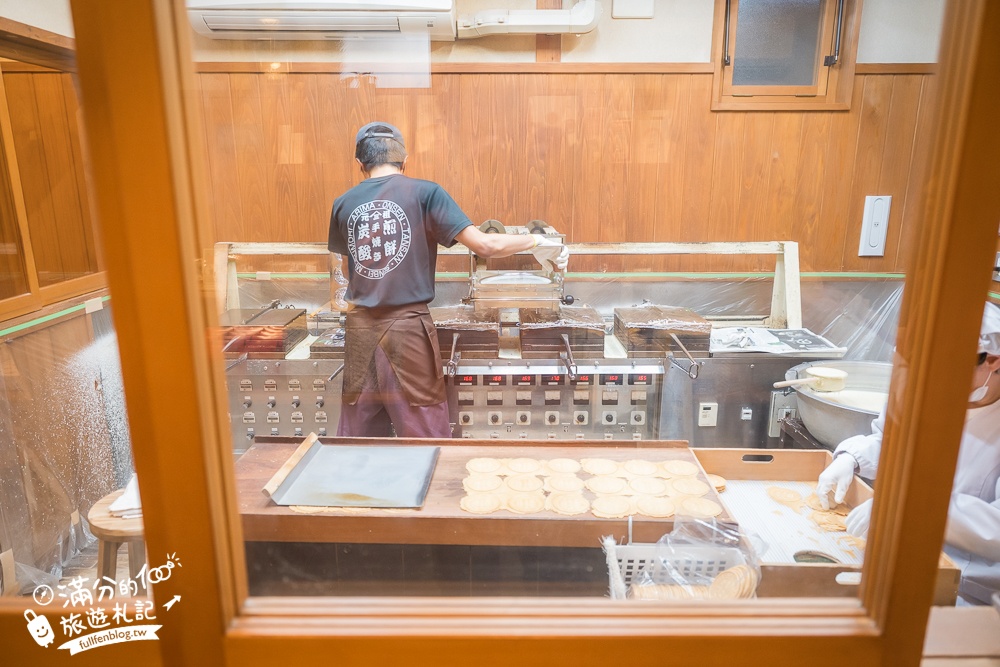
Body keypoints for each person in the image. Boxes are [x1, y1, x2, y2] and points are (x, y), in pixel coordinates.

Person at [327, 121, 569, 438]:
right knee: (426, 433)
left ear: (360, 164)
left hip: (359, 333)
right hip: (407, 332)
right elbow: (487, 245)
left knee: (360, 438)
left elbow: (345, 273)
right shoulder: (426, 193)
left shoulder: (343, 203)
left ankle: (365, 490)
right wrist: (539, 241)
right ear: (405, 161)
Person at [816, 302, 1000, 605]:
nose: (932, 378)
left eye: (947, 366)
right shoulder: (924, 387)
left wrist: (908, 508)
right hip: (900, 562)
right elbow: (892, 441)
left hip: (971, 592)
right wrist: (852, 457)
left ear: (991, 360)